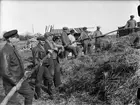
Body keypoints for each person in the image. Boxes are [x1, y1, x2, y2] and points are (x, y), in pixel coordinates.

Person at [0, 30, 34, 105]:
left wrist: (23, 72)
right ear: (10, 39)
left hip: (21, 79)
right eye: (16, 38)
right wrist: (16, 83)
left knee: (29, 94)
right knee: (13, 102)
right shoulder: (5, 51)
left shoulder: (13, 48)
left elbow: (17, 64)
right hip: (10, 82)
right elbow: (4, 71)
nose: (18, 40)